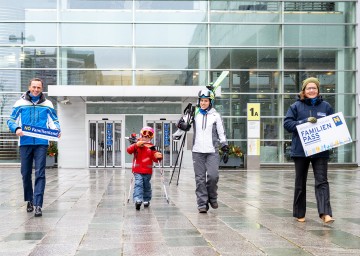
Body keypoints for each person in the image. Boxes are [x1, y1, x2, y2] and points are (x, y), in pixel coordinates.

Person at [7, 78, 61, 217]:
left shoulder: (48, 104)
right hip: (25, 143)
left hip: (41, 144)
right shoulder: (20, 103)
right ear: (29, 87)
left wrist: (57, 130)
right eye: (34, 87)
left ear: (42, 89)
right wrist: (16, 128)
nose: (36, 89)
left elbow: (54, 121)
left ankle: (38, 204)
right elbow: (11, 120)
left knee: (40, 173)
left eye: (38, 87)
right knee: (25, 174)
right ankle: (29, 199)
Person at [284, 77, 335, 224]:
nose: (312, 90)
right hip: (301, 151)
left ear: (318, 90)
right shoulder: (296, 106)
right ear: (304, 91)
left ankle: (325, 213)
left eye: (314, 88)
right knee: (300, 182)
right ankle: (300, 213)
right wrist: (303, 122)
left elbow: (333, 126)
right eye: (309, 88)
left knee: (322, 181)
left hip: (321, 151)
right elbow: (287, 124)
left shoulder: (326, 107)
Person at [191, 89, 228, 213]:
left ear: (210, 102)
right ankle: (202, 203)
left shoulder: (215, 115)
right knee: (199, 179)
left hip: (212, 151)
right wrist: (177, 133)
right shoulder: (194, 114)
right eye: (201, 101)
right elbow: (182, 125)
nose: (203, 103)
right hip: (197, 151)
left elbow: (221, 132)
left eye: (206, 101)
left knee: (213, 176)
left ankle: (212, 197)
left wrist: (224, 145)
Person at [127, 126, 163, 210]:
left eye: (147, 137)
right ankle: (137, 200)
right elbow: (129, 150)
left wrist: (159, 157)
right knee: (138, 184)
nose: (145, 138)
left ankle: (146, 199)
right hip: (138, 170)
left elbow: (155, 159)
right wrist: (136, 145)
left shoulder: (151, 147)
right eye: (144, 136)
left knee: (147, 185)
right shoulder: (137, 144)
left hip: (148, 171)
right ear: (141, 136)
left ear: (150, 138)